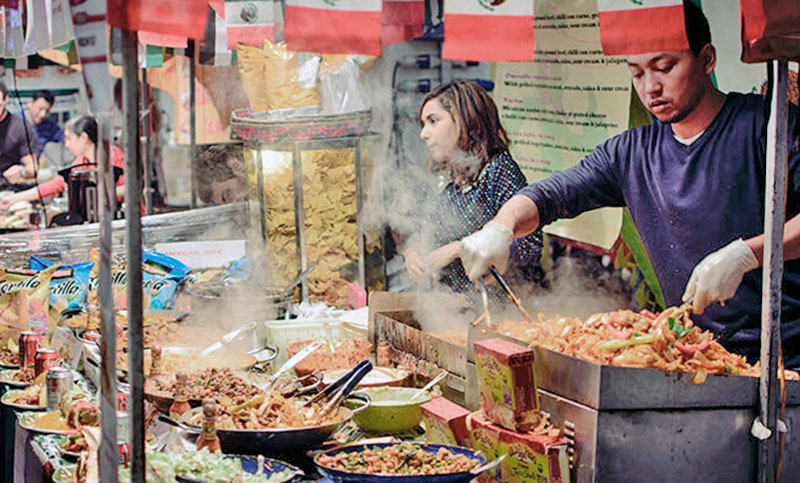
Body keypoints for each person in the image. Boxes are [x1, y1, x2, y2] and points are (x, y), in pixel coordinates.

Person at [460, 1, 800, 366]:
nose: (651, 87)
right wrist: (502, 226)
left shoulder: (768, 125)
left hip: (786, 361)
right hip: (697, 356)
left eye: (665, 67)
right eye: (637, 73)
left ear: (707, 59)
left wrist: (746, 255)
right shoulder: (633, 152)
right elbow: (551, 195)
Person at [402, 80, 543, 296]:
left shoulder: (498, 170)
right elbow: (416, 228)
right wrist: (412, 256)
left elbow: (529, 246)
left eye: (433, 121)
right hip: (446, 308)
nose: (424, 134)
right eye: (423, 124)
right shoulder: (441, 173)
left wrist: (459, 249)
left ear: (465, 120)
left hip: (497, 313)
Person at [0, 115, 125, 212]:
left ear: (83, 138)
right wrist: (12, 199)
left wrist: (94, 194)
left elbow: (128, 188)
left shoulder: (112, 155)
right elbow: (55, 184)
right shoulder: (81, 161)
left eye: (69, 138)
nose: (67, 144)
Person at [0, 81, 38, 188]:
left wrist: (21, 171)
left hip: (6, 191)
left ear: (6, 99)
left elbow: (33, 169)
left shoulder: (20, 127)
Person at [24, 90, 65, 158]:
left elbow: (67, 139)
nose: (43, 114)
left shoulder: (49, 125)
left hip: (34, 166)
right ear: (30, 103)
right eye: (40, 108)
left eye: (47, 110)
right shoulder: (13, 121)